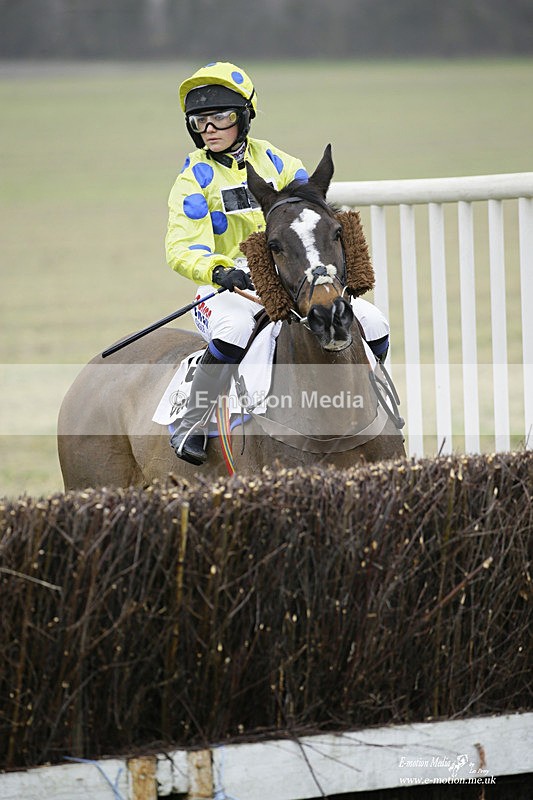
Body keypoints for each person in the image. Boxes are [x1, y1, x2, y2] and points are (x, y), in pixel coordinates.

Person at [165, 61, 389, 466]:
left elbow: (310, 217)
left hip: (289, 279)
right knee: (234, 329)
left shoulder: (278, 161)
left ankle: (371, 403)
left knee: (371, 321)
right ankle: (192, 419)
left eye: (221, 117)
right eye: (200, 121)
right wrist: (218, 269)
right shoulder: (192, 181)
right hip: (227, 288)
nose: (210, 127)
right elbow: (181, 248)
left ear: (245, 118)